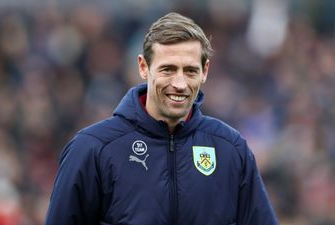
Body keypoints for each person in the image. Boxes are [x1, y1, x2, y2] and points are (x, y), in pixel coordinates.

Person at [45, 12, 278, 225]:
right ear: (144, 67)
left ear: (205, 71)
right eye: (168, 69)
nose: (179, 83)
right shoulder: (92, 149)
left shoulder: (230, 148)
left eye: (190, 71)